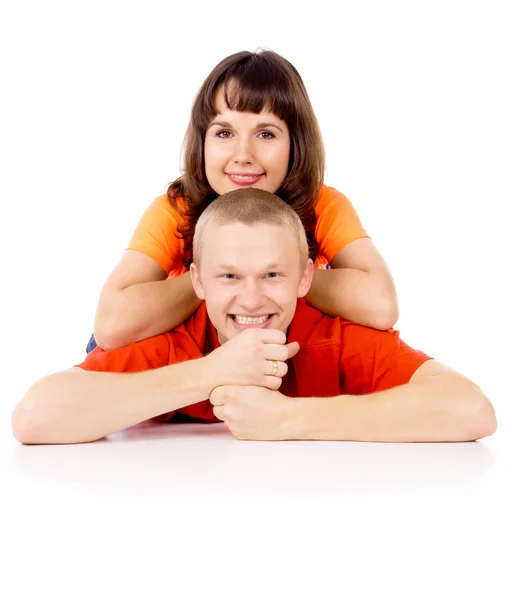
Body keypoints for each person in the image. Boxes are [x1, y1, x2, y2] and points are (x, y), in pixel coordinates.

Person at [12, 189, 496, 445]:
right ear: (196, 282)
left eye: (272, 275)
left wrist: (292, 419)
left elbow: (471, 409)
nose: (250, 299)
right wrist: (211, 372)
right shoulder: (175, 339)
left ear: (306, 278)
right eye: (228, 277)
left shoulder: (330, 334)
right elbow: (33, 417)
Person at [89, 49, 399, 353]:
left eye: (265, 135)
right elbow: (111, 325)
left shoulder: (324, 205)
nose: (243, 156)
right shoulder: (175, 209)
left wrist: (282, 278)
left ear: (295, 143)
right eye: (224, 133)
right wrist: (217, 280)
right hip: (192, 355)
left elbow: (381, 305)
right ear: (203, 142)